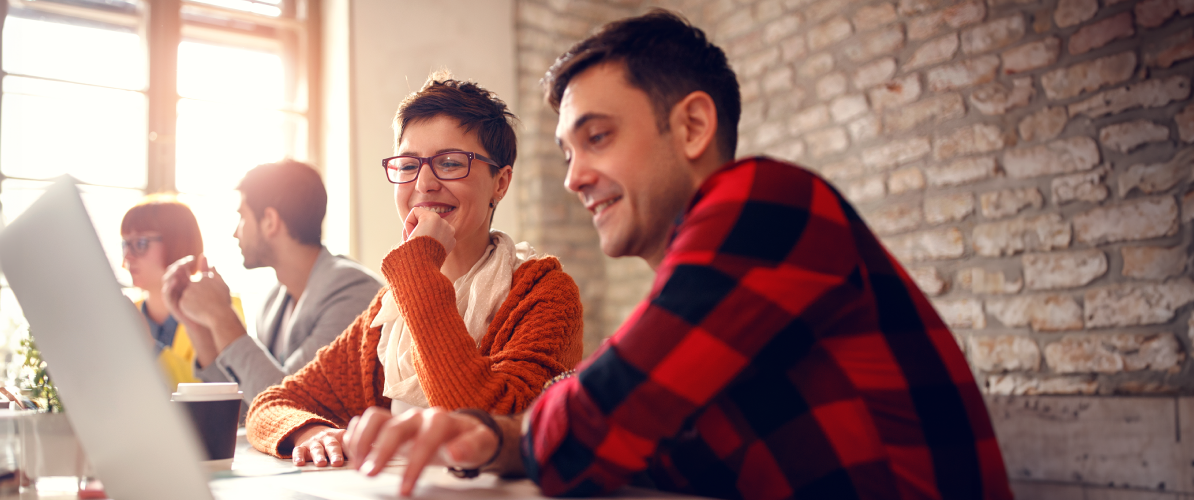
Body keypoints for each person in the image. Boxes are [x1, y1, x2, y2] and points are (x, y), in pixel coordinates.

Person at [342, 10, 1014, 500]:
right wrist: (495, 438)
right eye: (567, 152)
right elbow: (631, 443)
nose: (574, 176)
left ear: (692, 126)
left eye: (597, 137)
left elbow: (607, 410)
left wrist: (506, 435)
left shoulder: (768, 205)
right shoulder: (719, 307)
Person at [238, 74, 585, 468]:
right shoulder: (389, 310)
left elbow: (486, 424)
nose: (423, 184)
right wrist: (313, 433)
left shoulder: (543, 293)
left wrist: (419, 270)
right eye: (407, 165)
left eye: (450, 163)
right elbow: (272, 403)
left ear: (500, 183)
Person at [164, 160, 383, 408]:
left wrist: (222, 317)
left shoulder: (354, 293)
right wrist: (196, 325)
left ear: (270, 220)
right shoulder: (272, 301)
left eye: (242, 217)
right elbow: (250, 406)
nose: (236, 232)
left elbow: (289, 406)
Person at [119, 196, 233, 392]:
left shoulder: (222, 309)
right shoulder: (127, 316)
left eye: (140, 243)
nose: (127, 256)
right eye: (125, 244)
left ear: (177, 242)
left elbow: (215, 395)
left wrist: (146, 346)